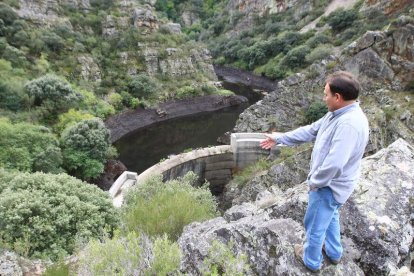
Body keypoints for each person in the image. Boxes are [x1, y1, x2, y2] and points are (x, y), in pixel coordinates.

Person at [260, 71, 369, 272]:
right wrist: (280, 138)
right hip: (334, 186)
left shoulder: (349, 124)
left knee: (315, 223)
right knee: (331, 215)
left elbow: (334, 164)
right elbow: (310, 131)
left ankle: (310, 259)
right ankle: (335, 252)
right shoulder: (337, 114)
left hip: (328, 186)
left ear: (338, 97)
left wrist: (315, 182)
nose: (323, 97)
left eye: (326, 93)